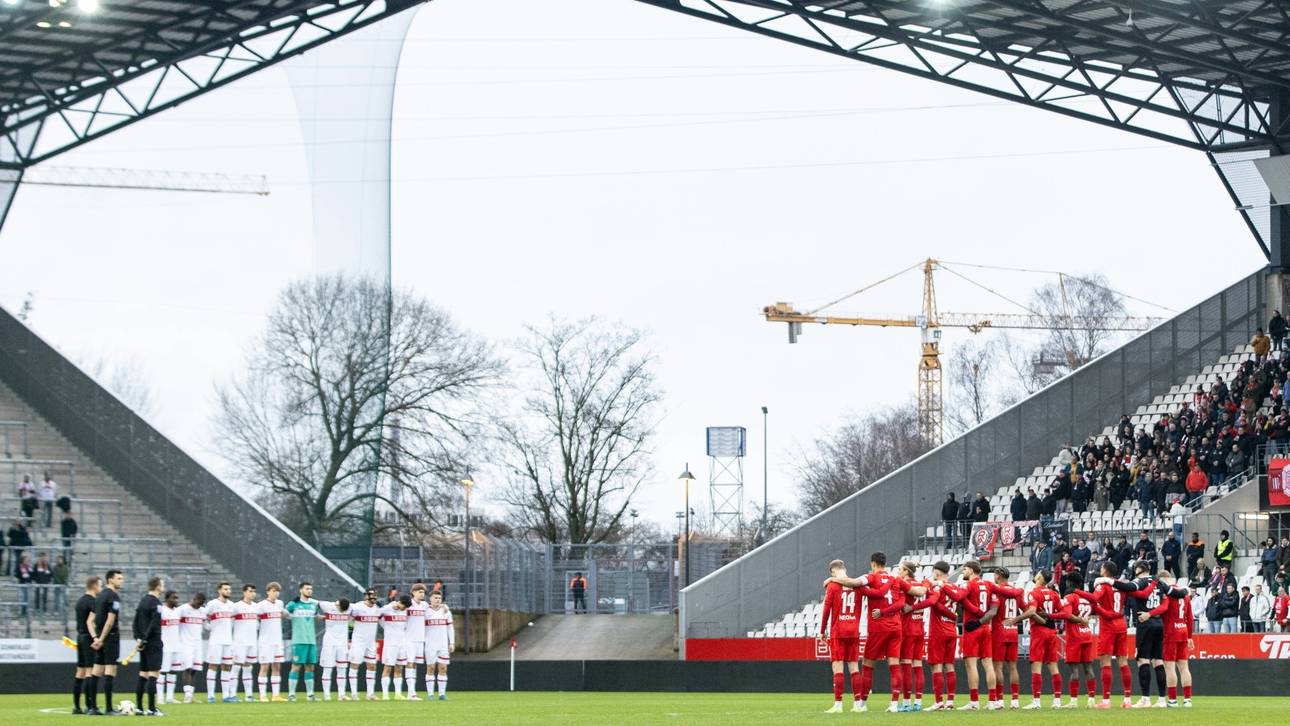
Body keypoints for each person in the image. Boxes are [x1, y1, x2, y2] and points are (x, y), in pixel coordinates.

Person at [825, 551, 925, 712]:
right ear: (885, 563)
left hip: (878, 628)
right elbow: (918, 592)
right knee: (894, 665)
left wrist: (832, 579)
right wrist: (930, 584)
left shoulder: (871, 577)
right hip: (896, 628)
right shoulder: (896, 579)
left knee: (867, 665)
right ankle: (894, 705)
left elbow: (853, 582)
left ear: (873, 564)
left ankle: (862, 704)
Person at [939, 560, 1010, 710]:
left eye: (965, 570)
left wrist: (943, 585)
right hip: (986, 626)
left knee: (971, 665)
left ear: (971, 571)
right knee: (988, 664)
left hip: (972, 627)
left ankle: (974, 702)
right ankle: (992, 701)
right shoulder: (989, 585)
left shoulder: (969, 585)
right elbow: (1005, 596)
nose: (963, 572)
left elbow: (958, 597)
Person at [1008, 570, 1082, 710]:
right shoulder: (1054, 594)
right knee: (1053, 666)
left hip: (1038, 632)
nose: (1035, 575)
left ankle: (1036, 701)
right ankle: (1057, 701)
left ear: (1040, 578)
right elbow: (1064, 613)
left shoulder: (1034, 593)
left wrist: (1015, 619)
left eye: (1038, 574)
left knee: (1036, 666)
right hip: (1052, 631)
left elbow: (1031, 611)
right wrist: (1052, 617)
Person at [1076, 561, 1134, 708]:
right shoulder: (1121, 585)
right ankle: (1127, 699)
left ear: (1106, 571)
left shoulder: (1103, 585)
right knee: (1123, 661)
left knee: (1105, 662)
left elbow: (1094, 598)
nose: (1100, 569)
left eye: (1101, 568)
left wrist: (1076, 591)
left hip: (1108, 626)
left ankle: (1106, 701)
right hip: (1121, 623)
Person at [1142, 571, 1194, 708]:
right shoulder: (1184, 594)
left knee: (1169, 667)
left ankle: (1172, 700)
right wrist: (1190, 636)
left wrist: (1149, 614)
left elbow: (1162, 609)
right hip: (1183, 631)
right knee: (1184, 667)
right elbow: (1190, 617)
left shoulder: (1167, 594)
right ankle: (1188, 700)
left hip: (1170, 633)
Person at [819, 559, 865, 713]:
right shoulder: (857, 585)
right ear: (844, 568)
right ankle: (857, 704)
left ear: (832, 571)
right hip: (853, 631)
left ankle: (838, 705)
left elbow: (826, 610)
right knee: (854, 667)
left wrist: (822, 630)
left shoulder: (832, 586)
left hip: (838, 631)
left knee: (837, 666)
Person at [898, 563, 934, 712]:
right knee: (918, 666)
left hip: (907, 630)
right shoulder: (921, 584)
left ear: (906, 571)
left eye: (900, 569)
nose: (899, 572)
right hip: (920, 629)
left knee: (905, 665)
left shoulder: (905, 585)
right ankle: (918, 702)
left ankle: (906, 702)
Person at [989, 567, 1025, 709]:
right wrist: (1016, 619)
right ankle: (1015, 700)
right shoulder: (1016, 592)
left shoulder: (998, 591)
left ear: (998, 576)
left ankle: (1000, 700)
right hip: (1013, 631)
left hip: (999, 631)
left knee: (998, 666)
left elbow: (994, 610)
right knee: (1012, 667)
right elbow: (1026, 608)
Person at [1061, 573, 1098, 708]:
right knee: (1088, 668)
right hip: (1087, 635)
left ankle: (1073, 701)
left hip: (1074, 636)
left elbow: (1067, 615)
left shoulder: (1070, 597)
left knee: (1074, 670)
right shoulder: (1087, 599)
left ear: (1070, 583)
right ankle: (1091, 700)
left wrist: (1079, 619)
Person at [90, 569, 125, 714]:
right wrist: (103, 639)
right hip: (110, 638)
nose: (121, 581)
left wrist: (96, 638)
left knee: (96, 671)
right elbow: (110, 621)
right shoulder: (113, 597)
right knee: (110, 670)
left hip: (99, 637)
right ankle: (109, 708)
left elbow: (91, 620)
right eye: (119, 578)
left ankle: (93, 707)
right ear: (110, 580)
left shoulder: (99, 596)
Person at [131, 576, 165, 717]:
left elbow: (135, 622)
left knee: (143, 674)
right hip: (153, 642)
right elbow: (154, 623)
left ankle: (139, 708)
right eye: (162, 584)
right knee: (153, 674)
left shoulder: (143, 601)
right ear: (157, 586)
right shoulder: (156, 603)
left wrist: (138, 638)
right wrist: (145, 639)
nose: (163, 587)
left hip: (143, 643)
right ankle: (151, 709)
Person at [72, 576, 102, 715]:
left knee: (80, 672)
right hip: (89, 638)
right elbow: (92, 622)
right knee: (90, 672)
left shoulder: (80, 601)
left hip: (80, 637)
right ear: (94, 586)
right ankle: (90, 705)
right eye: (100, 586)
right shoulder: (93, 602)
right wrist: (96, 637)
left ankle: (76, 706)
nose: (100, 589)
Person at [285, 582, 319, 701]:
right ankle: (291, 694)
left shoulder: (313, 604)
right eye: (307, 589)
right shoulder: (294, 604)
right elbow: (284, 614)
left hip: (311, 640)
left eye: (311, 589)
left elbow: (317, 617)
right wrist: (291, 605)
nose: (309, 591)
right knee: (296, 666)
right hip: (299, 640)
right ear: (301, 590)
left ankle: (310, 694)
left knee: (310, 667)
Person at [203, 581, 236, 703]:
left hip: (228, 640)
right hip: (216, 640)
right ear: (219, 590)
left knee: (227, 666)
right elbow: (203, 617)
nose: (228, 591)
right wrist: (208, 627)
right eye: (225, 589)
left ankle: (225, 695)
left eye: (229, 589)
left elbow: (232, 620)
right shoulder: (212, 604)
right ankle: (211, 696)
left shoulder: (232, 605)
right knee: (213, 666)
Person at [347, 588, 381, 699]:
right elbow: (347, 616)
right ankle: (353, 694)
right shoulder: (357, 607)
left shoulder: (377, 609)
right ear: (366, 596)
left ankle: (370, 694)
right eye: (372, 595)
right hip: (358, 641)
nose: (374, 597)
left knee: (372, 666)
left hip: (371, 642)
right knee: (355, 665)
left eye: (375, 595)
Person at [256, 582, 286, 701]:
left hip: (277, 641)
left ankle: (276, 695)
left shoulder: (279, 604)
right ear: (268, 591)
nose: (276, 593)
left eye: (277, 591)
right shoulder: (261, 605)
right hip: (265, 641)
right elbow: (255, 619)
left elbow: (284, 614)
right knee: (264, 667)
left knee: (276, 667)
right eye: (273, 591)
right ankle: (263, 695)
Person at [317, 596, 352, 700]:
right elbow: (314, 603)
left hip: (342, 643)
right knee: (327, 668)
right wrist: (317, 615)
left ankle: (341, 694)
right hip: (329, 642)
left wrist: (323, 617)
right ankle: (327, 695)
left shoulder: (350, 608)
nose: (342, 611)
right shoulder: (328, 606)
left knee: (342, 669)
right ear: (337, 605)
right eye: (341, 609)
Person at [175, 592, 207, 703]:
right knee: (187, 668)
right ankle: (187, 695)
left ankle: (191, 695)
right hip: (185, 643)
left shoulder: (202, 611)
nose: (199, 605)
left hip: (197, 644)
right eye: (198, 602)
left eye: (202, 604)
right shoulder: (182, 609)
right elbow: (174, 624)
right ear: (194, 599)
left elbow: (206, 626)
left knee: (195, 669)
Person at [378, 594, 411, 699]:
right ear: (400, 602)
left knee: (399, 668)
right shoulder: (387, 609)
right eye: (404, 606)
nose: (405, 609)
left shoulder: (405, 611)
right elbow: (378, 617)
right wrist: (386, 627)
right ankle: (385, 694)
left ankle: (398, 694)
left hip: (402, 643)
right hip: (390, 643)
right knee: (387, 667)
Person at [231, 584, 260, 701]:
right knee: (236, 667)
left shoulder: (256, 607)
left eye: (254, 591)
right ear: (244, 592)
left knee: (248, 667)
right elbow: (229, 622)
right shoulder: (236, 606)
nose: (252, 593)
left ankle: (248, 695)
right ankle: (232, 694)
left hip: (252, 641)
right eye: (250, 591)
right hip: (240, 642)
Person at [426, 588, 455, 701]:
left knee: (443, 668)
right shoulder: (426, 611)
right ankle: (430, 694)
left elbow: (450, 628)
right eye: (435, 598)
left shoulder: (446, 612)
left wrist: (451, 642)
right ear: (430, 599)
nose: (437, 600)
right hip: (430, 644)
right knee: (431, 668)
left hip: (443, 644)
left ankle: (442, 694)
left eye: (439, 598)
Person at [404, 583, 428, 700]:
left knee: (414, 666)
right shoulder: (408, 605)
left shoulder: (425, 605)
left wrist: (444, 607)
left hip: (420, 639)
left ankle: (411, 693)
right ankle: (411, 693)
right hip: (409, 639)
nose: (422, 594)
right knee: (409, 663)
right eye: (419, 592)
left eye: (423, 592)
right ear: (413, 593)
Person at [157, 590, 181, 706]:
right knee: (162, 672)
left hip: (176, 646)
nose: (176, 600)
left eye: (177, 598)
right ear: (167, 599)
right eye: (173, 598)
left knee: (173, 671)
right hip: (165, 646)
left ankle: (170, 697)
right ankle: (160, 697)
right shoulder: (162, 610)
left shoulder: (178, 611)